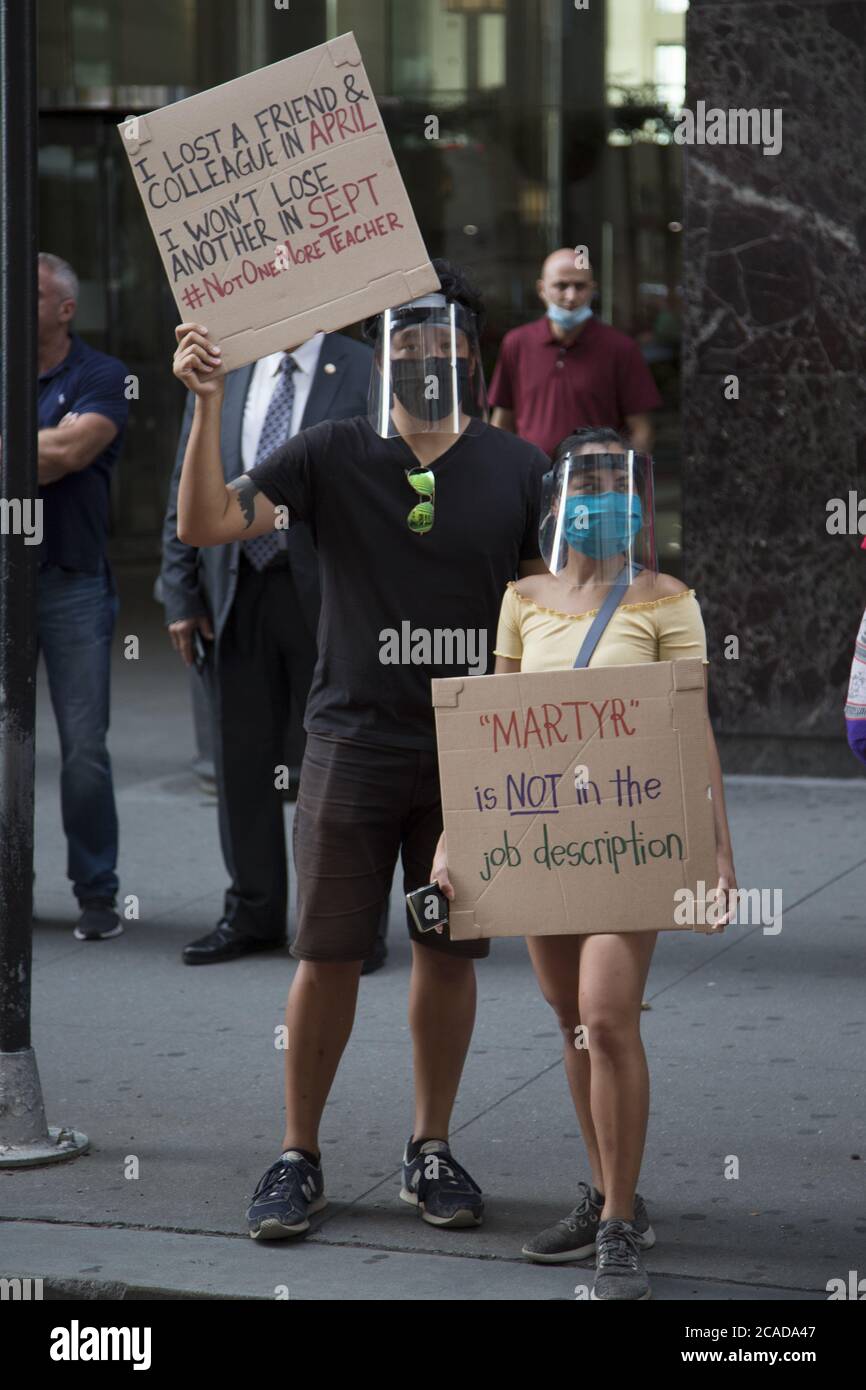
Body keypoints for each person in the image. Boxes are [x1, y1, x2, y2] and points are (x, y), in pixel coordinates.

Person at [170, 261, 550, 1239]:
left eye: (442, 343)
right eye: (406, 340)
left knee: (446, 952)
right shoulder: (329, 451)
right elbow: (208, 520)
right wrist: (208, 403)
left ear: (471, 356)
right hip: (347, 736)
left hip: (468, 748)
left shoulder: (516, 468)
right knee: (326, 954)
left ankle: (430, 1148)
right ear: (384, 354)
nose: (424, 356)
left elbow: (549, 613)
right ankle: (297, 1155)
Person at [432, 426, 737, 1300]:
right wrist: (458, 839)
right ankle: (615, 1193)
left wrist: (718, 848)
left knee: (606, 1016)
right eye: (590, 481)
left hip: (632, 840)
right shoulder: (521, 599)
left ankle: (613, 1232)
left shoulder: (669, 600)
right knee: (569, 1016)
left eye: (621, 482)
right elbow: (488, 725)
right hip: (540, 838)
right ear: (557, 498)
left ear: (642, 500)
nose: (606, 497)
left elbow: (695, 730)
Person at [160, 331, 391, 970]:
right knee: (241, 761)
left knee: (342, 759)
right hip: (236, 591)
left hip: (333, 596)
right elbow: (187, 473)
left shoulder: (362, 366)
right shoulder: (223, 370)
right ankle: (252, 913)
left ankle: (352, 923)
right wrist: (179, 591)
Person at [36, 252, 130, 941]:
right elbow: (52, 448)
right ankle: (13, 898)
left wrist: (40, 446)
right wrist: (42, 444)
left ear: (66, 308)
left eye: (31, 295)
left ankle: (97, 894)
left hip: (72, 581)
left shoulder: (104, 376)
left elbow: (68, 455)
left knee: (83, 751)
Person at [489, 249, 662, 457]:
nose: (570, 296)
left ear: (592, 289)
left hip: (596, 480)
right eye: (561, 286)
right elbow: (501, 423)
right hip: (531, 480)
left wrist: (622, 480)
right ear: (541, 289)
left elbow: (642, 429)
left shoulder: (621, 348)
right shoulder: (517, 343)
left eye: (579, 286)